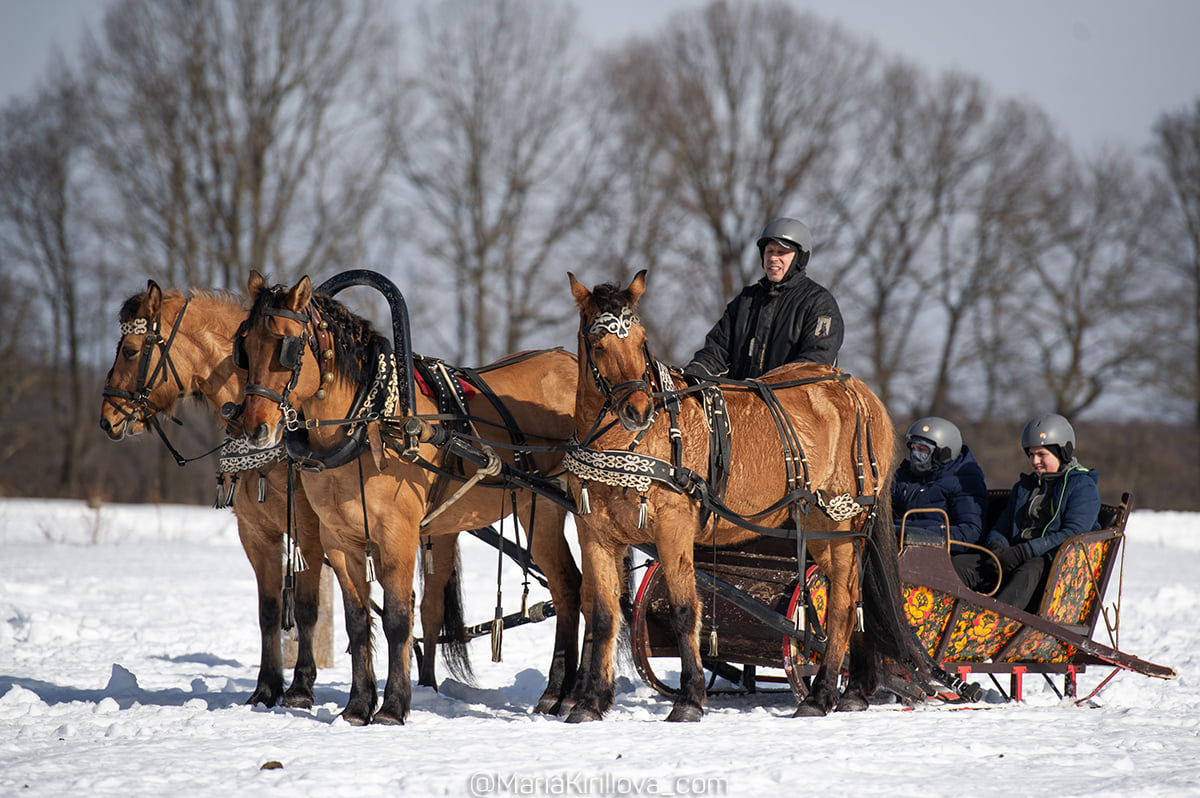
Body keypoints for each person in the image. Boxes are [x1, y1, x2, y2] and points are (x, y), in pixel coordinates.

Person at [955, 413, 1101, 612]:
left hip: (1052, 564)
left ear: (1062, 452)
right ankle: (942, 618)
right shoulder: (1025, 486)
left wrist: (1023, 552)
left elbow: (1073, 534)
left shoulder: (1082, 486)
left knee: (1031, 568)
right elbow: (1003, 525)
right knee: (961, 565)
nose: (1035, 461)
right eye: (1031, 454)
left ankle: (993, 625)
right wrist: (997, 546)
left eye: (1042, 455)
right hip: (1015, 555)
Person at [684, 218, 843, 380]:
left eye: (781, 252)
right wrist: (694, 374)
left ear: (799, 258)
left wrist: (769, 388)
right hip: (742, 401)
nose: (773, 258)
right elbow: (716, 351)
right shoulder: (746, 301)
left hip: (792, 401)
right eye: (769, 251)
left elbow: (816, 362)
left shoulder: (819, 304)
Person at [892, 417, 988, 547]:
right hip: (897, 544)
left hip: (939, 552)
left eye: (922, 449)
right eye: (913, 448)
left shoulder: (963, 481)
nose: (915, 454)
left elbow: (970, 532)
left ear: (942, 453)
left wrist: (916, 534)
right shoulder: (903, 476)